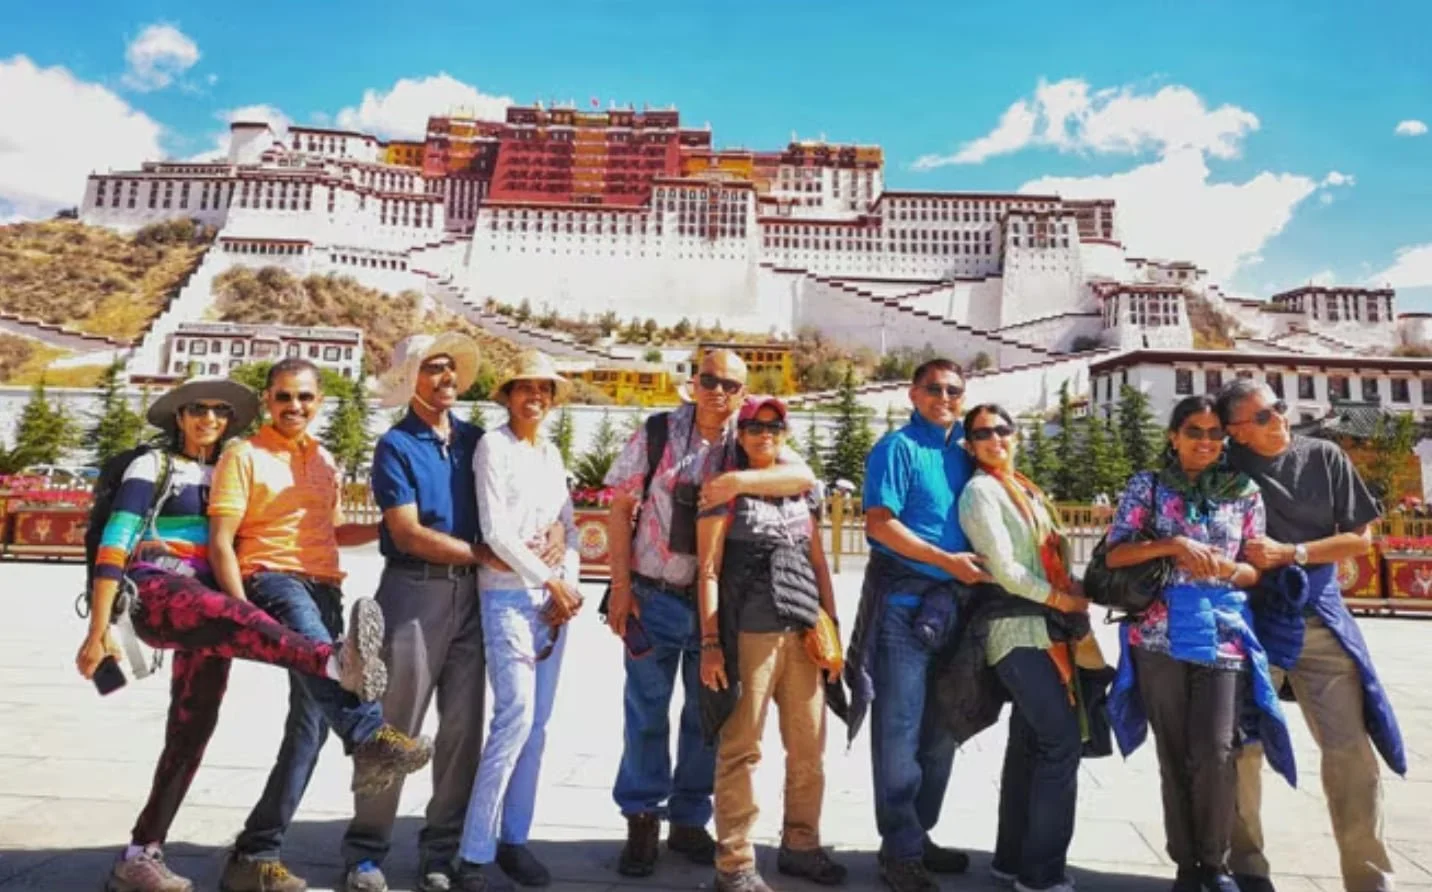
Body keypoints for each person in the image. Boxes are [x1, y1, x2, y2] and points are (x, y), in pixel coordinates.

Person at [75, 378, 393, 892]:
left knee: (193, 726)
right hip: (160, 587)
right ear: (177, 416)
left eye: (221, 411)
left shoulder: (228, 466)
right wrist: (98, 632)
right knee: (236, 616)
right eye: (197, 409)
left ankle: (140, 853)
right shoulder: (152, 466)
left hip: (211, 610)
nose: (210, 419)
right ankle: (337, 662)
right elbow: (116, 541)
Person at [344, 334, 563, 892]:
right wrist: (484, 554)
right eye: (431, 369)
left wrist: (556, 532)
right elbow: (407, 531)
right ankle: (365, 850)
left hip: (473, 597)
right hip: (413, 593)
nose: (444, 378)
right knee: (396, 726)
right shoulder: (396, 445)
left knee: (463, 729)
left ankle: (440, 849)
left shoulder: (475, 440)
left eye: (450, 369)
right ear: (411, 380)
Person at [209, 359, 434, 892]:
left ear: (319, 401)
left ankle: (254, 854)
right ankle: (367, 733)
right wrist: (243, 614)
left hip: (325, 585)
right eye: (284, 397)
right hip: (273, 578)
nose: (295, 407)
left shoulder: (325, 459)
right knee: (328, 662)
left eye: (305, 398)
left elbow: (331, 530)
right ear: (268, 399)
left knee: (306, 731)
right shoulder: (243, 455)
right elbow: (223, 539)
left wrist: (399, 523)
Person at [603, 348, 816, 877]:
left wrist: (739, 481)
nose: (718, 392)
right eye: (709, 381)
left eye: (729, 384)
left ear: (743, 394)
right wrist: (621, 586)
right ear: (692, 384)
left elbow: (804, 478)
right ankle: (642, 818)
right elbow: (619, 508)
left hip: (719, 609)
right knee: (645, 712)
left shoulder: (750, 439)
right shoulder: (656, 434)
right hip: (653, 595)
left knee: (709, 717)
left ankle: (690, 820)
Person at [1216, 380, 1405, 892]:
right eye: (1261, 417)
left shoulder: (1323, 455)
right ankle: (1247, 869)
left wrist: (1291, 553)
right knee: (1241, 748)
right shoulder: (1223, 468)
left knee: (1350, 750)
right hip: (1249, 620)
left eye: (1278, 409)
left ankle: (1368, 879)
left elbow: (1361, 539)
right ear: (1235, 431)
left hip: (1317, 612)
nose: (1277, 420)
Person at [1102, 395, 1286, 892]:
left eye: (1213, 433)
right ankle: (1186, 863)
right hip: (1158, 633)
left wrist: (1229, 568)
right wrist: (1174, 544)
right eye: (1194, 431)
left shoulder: (1244, 490)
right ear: (1173, 436)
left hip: (1222, 634)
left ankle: (1216, 861)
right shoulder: (1149, 485)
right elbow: (1115, 553)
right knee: (1174, 750)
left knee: (1217, 748)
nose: (1205, 442)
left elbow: (1253, 569)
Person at [843, 358, 990, 892]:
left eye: (954, 390)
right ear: (913, 393)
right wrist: (946, 561)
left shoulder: (967, 454)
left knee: (944, 729)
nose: (944, 397)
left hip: (955, 610)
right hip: (904, 608)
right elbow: (881, 525)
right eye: (934, 389)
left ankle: (917, 834)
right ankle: (899, 848)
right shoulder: (897, 449)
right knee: (899, 731)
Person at [696, 397, 847, 892]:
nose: (765, 433)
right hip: (749, 632)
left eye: (775, 426)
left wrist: (832, 624)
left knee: (809, 745)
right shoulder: (723, 490)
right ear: (739, 435)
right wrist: (711, 642)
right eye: (755, 426)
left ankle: (802, 845)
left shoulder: (802, 489)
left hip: (802, 630)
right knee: (741, 749)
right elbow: (710, 569)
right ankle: (735, 862)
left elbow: (819, 562)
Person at [453, 350, 583, 891]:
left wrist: (567, 586)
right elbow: (496, 533)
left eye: (544, 390)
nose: (536, 397)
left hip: (551, 602)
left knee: (538, 727)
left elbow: (567, 528)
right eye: (526, 388)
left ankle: (515, 838)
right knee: (515, 717)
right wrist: (548, 580)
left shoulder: (551, 454)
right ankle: (473, 852)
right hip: (508, 595)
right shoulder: (493, 447)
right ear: (507, 395)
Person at [956, 404, 1096, 892]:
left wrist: (1075, 595)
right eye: (982, 433)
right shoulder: (981, 492)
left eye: (1002, 429)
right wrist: (1063, 598)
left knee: (1030, 744)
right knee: (1060, 743)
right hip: (1015, 629)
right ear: (969, 445)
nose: (995, 438)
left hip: (1047, 627)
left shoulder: (1027, 490)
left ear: (1015, 435)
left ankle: (1012, 859)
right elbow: (1006, 571)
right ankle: (1041, 874)